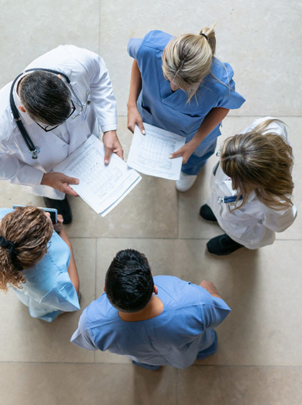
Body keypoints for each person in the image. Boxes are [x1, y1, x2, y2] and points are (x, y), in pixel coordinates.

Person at [0, 46, 122, 223]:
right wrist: (43, 178)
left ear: (60, 80)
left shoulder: (74, 61)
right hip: (47, 171)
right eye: (50, 126)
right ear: (22, 109)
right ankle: (56, 200)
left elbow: (99, 75)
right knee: (55, 196)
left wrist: (109, 128)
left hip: (87, 144)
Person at [127, 25, 245, 192]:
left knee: (195, 156)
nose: (173, 87)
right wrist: (131, 105)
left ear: (203, 78)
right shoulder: (149, 49)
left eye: (183, 86)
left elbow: (224, 106)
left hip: (194, 134)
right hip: (152, 115)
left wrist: (195, 142)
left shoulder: (219, 84)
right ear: (164, 53)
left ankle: (189, 171)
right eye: (167, 77)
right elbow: (139, 60)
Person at [71, 249, 230, 370]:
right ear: (154, 288)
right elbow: (218, 314)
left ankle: (151, 367)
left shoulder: (91, 323)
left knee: (146, 362)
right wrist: (209, 290)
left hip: (144, 357)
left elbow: (86, 343)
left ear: (105, 289)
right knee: (205, 345)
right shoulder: (196, 302)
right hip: (184, 356)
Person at [200, 117, 297, 255]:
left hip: (241, 228)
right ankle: (218, 213)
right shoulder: (268, 127)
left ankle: (234, 242)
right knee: (219, 204)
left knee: (237, 232)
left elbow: (279, 225)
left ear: (249, 182)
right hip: (223, 201)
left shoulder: (276, 204)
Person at [0, 206, 80, 322]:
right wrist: (65, 240)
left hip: (23, 287)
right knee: (49, 305)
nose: (48, 214)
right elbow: (72, 293)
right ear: (43, 253)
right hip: (42, 295)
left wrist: (35, 219)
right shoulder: (51, 285)